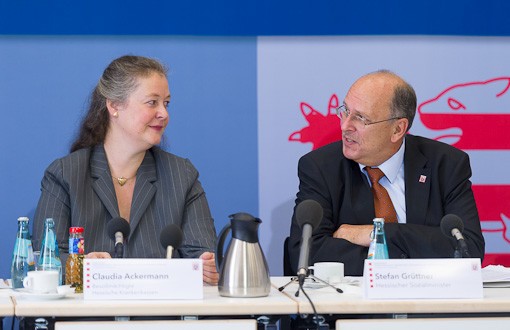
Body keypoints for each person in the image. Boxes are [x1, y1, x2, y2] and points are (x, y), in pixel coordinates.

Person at [33, 55, 219, 285]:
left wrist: (206, 265)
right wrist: (82, 266)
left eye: (166, 103)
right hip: (88, 317)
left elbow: (201, 256)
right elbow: (45, 260)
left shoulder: (182, 175)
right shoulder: (65, 174)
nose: (164, 113)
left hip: (162, 317)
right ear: (114, 105)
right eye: (152, 102)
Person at [288, 70, 485, 276]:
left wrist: (375, 234)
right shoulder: (320, 167)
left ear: (398, 129)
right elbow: (306, 253)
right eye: (345, 111)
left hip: (430, 304)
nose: (345, 126)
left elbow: (468, 249)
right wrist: (408, 262)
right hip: (356, 305)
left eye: (361, 118)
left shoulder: (445, 165)